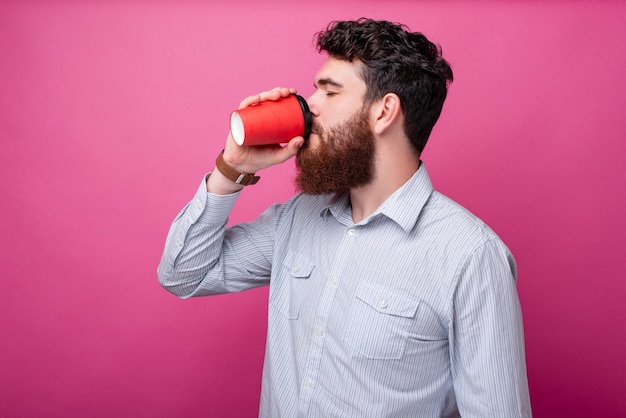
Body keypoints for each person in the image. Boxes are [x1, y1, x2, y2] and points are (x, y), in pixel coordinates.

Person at [158, 18, 532, 418]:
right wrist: (231, 166)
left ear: (384, 111)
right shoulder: (297, 218)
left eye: (329, 92)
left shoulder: (471, 256)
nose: (310, 105)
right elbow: (183, 275)